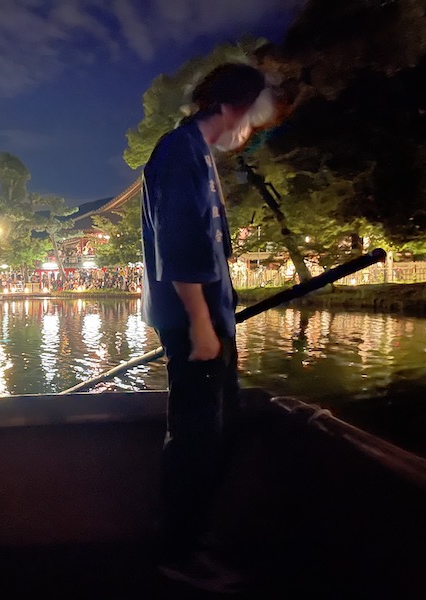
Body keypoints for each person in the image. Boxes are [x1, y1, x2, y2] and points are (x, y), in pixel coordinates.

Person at [140, 63, 273, 592]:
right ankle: (177, 551)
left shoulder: (196, 153)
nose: (255, 126)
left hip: (211, 322)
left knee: (218, 431)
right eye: (256, 112)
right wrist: (200, 323)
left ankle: (191, 536)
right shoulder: (180, 151)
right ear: (237, 106)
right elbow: (180, 242)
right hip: (194, 324)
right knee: (196, 438)